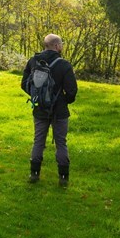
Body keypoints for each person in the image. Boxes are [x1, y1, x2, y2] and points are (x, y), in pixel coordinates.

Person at [21, 34, 78, 187]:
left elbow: (24, 84)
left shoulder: (34, 61)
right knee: (61, 142)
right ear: (57, 46)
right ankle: (63, 177)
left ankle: (34, 174)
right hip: (60, 111)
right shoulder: (64, 65)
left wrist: (37, 97)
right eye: (61, 44)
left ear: (45, 45)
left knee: (38, 141)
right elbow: (72, 91)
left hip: (39, 109)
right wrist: (63, 102)